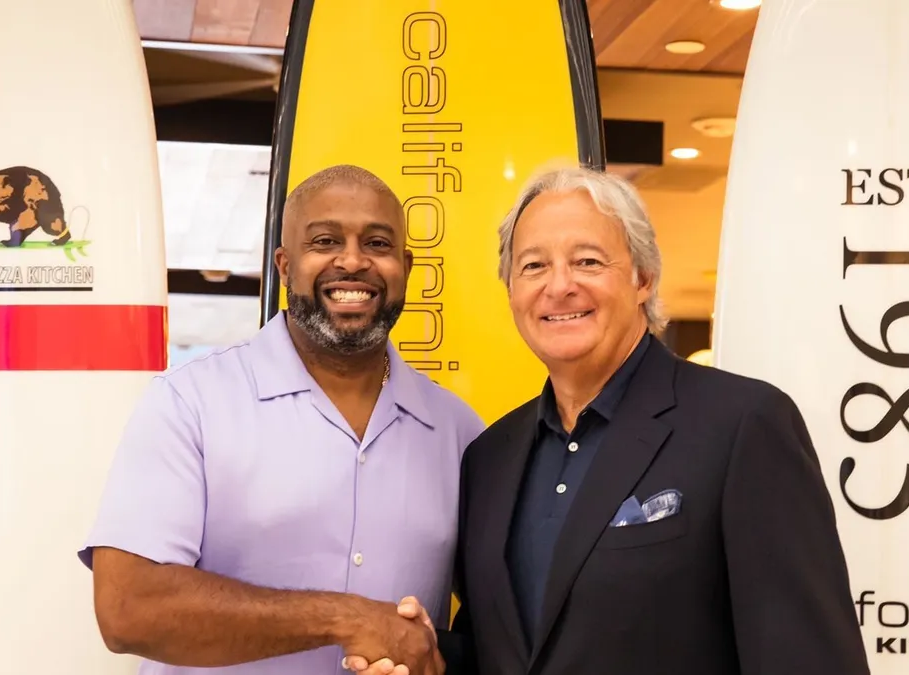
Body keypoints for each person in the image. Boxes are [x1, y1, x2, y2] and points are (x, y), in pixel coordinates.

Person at [354, 165, 872, 674]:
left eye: (587, 261)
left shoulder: (744, 426)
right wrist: (432, 660)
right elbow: (506, 646)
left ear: (642, 278)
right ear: (510, 291)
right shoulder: (490, 456)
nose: (559, 286)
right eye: (533, 266)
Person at [78, 164, 484, 675]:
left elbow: (500, 627)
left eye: (377, 244)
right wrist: (344, 617)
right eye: (325, 240)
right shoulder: (190, 403)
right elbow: (127, 609)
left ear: (405, 265)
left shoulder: (460, 432)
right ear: (285, 266)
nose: (353, 261)